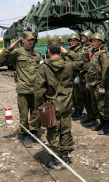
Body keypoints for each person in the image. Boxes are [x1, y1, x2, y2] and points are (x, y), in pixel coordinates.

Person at [34, 37, 83, 170]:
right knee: (65, 130)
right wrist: (68, 52)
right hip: (66, 105)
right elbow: (82, 61)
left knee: (53, 131)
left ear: (48, 50)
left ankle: (55, 159)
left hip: (50, 105)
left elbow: (38, 90)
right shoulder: (69, 65)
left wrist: (39, 106)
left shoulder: (44, 67)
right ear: (61, 50)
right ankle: (65, 155)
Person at [0, 31, 42, 148]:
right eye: (28, 40)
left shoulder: (37, 54)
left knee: (35, 113)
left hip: (36, 89)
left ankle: (33, 132)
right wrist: (10, 48)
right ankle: (25, 135)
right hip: (23, 89)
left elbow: (41, 69)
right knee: (23, 114)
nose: (30, 42)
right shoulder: (17, 53)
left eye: (32, 40)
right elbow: (1, 61)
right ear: (23, 40)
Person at [86, 33, 109, 135]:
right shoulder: (95, 53)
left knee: (103, 106)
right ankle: (101, 123)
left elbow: (106, 71)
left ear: (100, 42)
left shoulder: (103, 54)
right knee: (96, 105)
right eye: (92, 41)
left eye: (95, 41)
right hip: (93, 84)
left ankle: (106, 126)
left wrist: (103, 85)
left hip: (100, 84)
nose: (93, 43)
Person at [78, 30, 98, 126]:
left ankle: (93, 117)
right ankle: (89, 115)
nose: (82, 37)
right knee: (84, 97)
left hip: (87, 76)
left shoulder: (90, 49)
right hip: (81, 76)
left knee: (90, 98)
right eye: (81, 35)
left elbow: (91, 63)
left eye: (84, 36)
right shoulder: (83, 48)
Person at [68, 33, 84, 120]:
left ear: (77, 41)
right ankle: (76, 109)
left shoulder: (79, 50)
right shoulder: (71, 50)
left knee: (78, 94)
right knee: (73, 94)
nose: (72, 42)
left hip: (77, 75)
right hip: (71, 75)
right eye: (71, 40)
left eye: (73, 40)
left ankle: (80, 110)